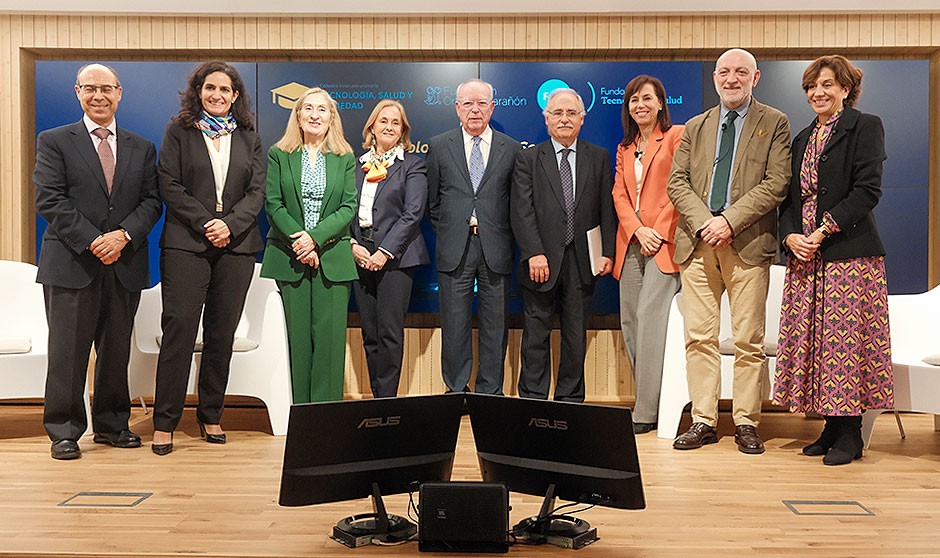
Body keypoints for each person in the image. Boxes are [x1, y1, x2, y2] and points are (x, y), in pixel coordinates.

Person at [33, 63, 161, 460]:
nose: (99, 96)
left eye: (106, 88)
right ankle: (64, 431)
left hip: (125, 262)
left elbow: (151, 201)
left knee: (116, 351)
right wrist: (93, 241)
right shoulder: (54, 141)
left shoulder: (142, 147)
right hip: (72, 263)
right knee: (68, 354)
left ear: (119, 93)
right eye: (90, 88)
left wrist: (122, 236)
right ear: (78, 92)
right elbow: (49, 198)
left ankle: (112, 424)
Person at [666, 48, 791, 454]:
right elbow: (677, 182)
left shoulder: (774, 122)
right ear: (715, 78)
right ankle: (703, 420)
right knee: (699, 338)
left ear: (756, 77)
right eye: (724, 72)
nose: (731, 79)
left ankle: (746, 422)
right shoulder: (696, 125)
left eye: (740, 72)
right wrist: (707, 222)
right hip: (697, 243)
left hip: (749, 244)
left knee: (748, 340)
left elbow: (777, 183)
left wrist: (729, 221)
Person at [773, 55, 893, 466]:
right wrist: (790, 236)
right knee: (817, 344)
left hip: (847, 252)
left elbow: (867, 190)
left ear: (845, 88)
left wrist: (822, 231)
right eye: (811, 86)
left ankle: (850, 434)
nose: (818, 92)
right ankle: (829, 428)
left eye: (827, 84)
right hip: (805, 255)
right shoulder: (802, 137)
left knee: (844, 343)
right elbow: (789, 199)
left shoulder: (865, 126)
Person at [151, 61, 265, 455]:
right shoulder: (179, 132)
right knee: (180, 330)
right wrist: (206, 223)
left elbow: (257, 192)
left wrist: (229, 225)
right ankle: (164, 422)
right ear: (198, 91)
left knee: (221, 334)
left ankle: (211, 414)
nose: (217, 94)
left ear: (235, 96)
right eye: (210, 87)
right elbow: (169, 183)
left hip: (236, 247)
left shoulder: (249, 138)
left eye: (225, 89)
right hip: (187, 243)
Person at [511, 88, 617, 402]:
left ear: (582, 119)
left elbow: (606, 208)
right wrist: (534, 252)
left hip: (583, 260)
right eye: (557, 113)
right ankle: (532, 398)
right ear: (546, 119)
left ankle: (570, 400)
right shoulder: (529, 158)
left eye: (572, 113)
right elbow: (521, 211)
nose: (564, 119)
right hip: (541, 260)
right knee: (535, 335)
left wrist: (608, 252)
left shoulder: (598, 157)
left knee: (575, 336)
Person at [261, 87, 357, 405]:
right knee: (296, 341)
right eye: (308, 109)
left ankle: (324, 416)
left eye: (322, 110)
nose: (315, 115)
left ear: (331, 118)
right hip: (290, 258)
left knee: (330, 344)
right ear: (298, 116)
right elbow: (273, 204)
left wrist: (314, 239)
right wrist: (300, 241)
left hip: (332, 259)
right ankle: (298, 414)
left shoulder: (344, 157)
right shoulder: (279, 154)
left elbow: (347, 207)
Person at [427, 79, 520, 395]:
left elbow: (516, 203)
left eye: (482, 103)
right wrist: (453, 228)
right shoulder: (439, 145)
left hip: (497, 247)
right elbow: (433, 203)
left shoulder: (511, 148)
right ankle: (456, 391)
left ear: (492, 107)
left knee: (496, 326)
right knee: (454, 325)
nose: (475, 110)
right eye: (468, 103)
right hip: (456, 246)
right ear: (457, 108)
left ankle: (489, 393)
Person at [612, 76, 684, 434]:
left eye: (646, 99)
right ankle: (648, 400)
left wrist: (656, 230)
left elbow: (683, 187)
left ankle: (646, 411)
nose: (639, 105)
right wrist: (637, 229)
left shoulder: (676, 136)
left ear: (660, 104)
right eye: (633, 100)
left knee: (650, 320)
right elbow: (619, 194)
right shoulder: (625, 147)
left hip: (664, 243)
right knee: (631, 323)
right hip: (631, 242)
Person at [351, 100, 429, 398]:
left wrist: (384, 252)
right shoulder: (355, 164)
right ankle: (376, 398)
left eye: (395, 123)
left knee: (389, 333)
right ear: (372, 127)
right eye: (383, 121)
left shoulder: (412, 164)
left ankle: (387, 403)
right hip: (360, 254)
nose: (388, 126)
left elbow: (413, 213)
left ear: (402, 131)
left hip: (397, 258)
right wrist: (352, 244)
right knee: (369, 331)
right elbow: (345, 209)